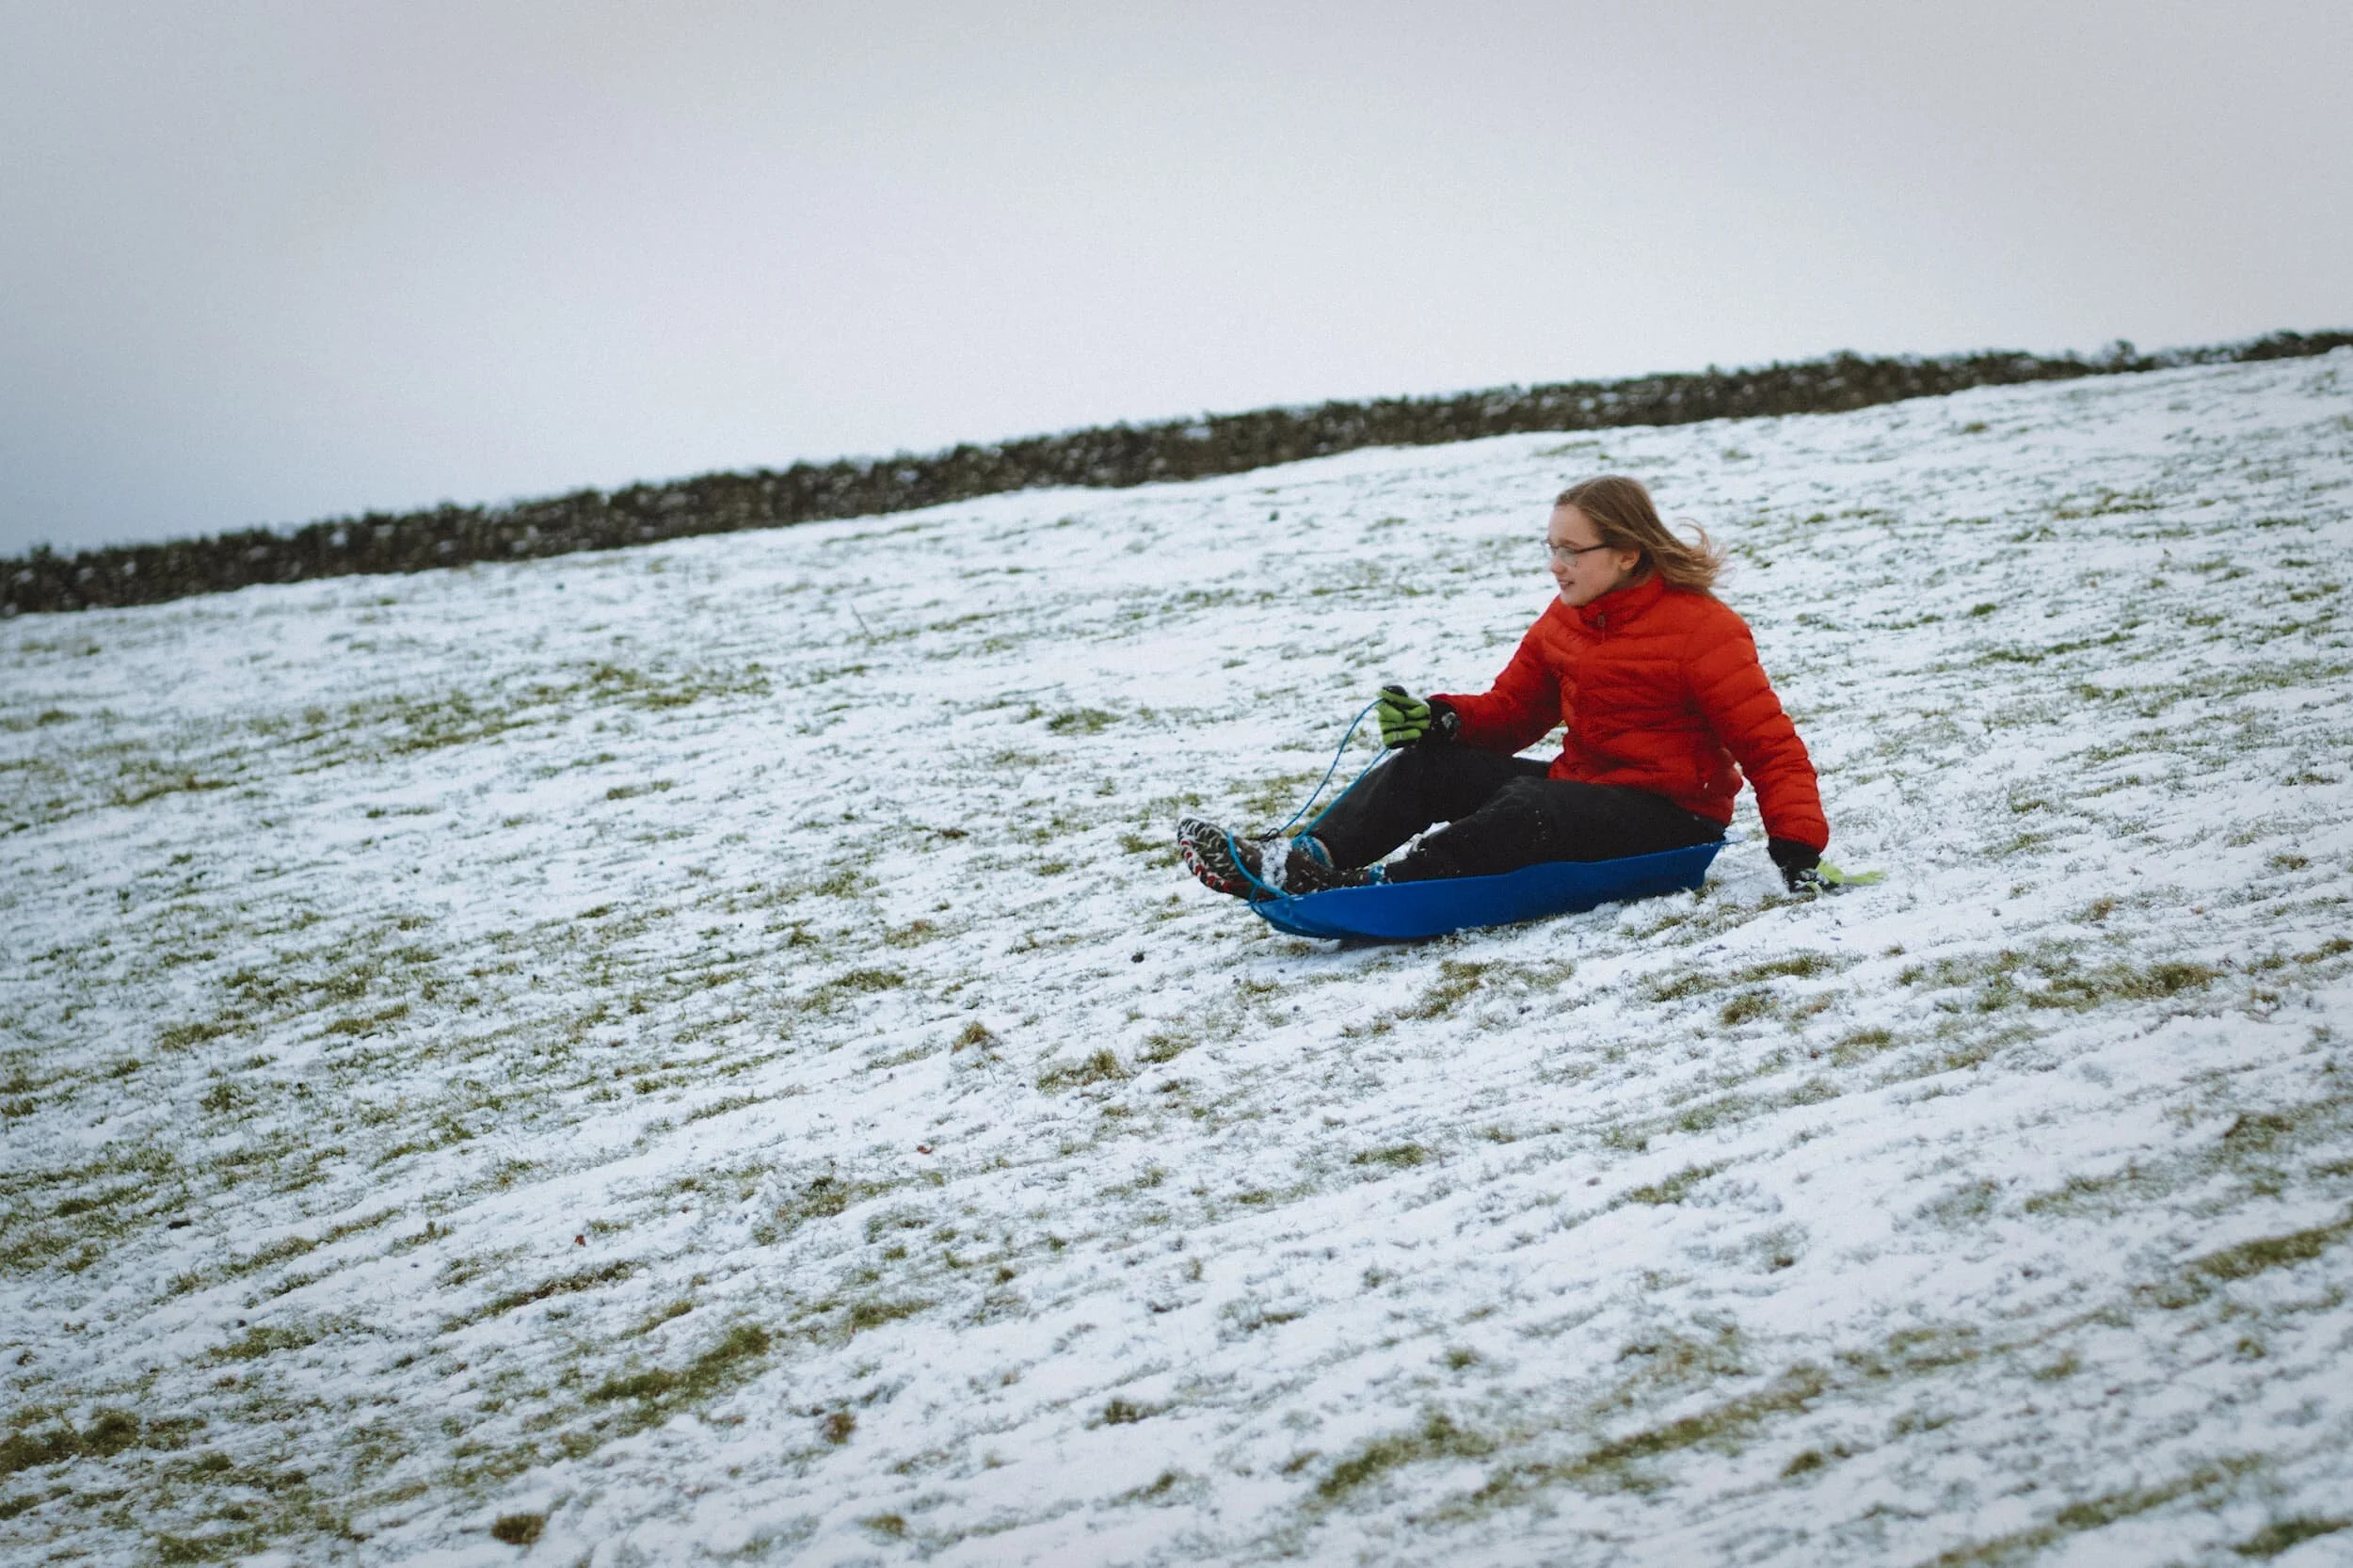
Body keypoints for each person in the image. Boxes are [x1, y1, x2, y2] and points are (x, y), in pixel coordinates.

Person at [1177, 474, 1830, 900]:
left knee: (1529, 808)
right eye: (1551, 547)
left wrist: (1797, 846)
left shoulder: (1703, 631)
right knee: (1429, 768)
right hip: (1586, 789)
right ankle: (1297, 859)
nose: (1556, 565)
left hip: (1673, 822)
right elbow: (1515, 712)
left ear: (1628, 552)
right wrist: (1444, 722)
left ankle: (1378, 887)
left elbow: (1769, 745)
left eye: (1573, 550)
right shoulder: (1567, 621)